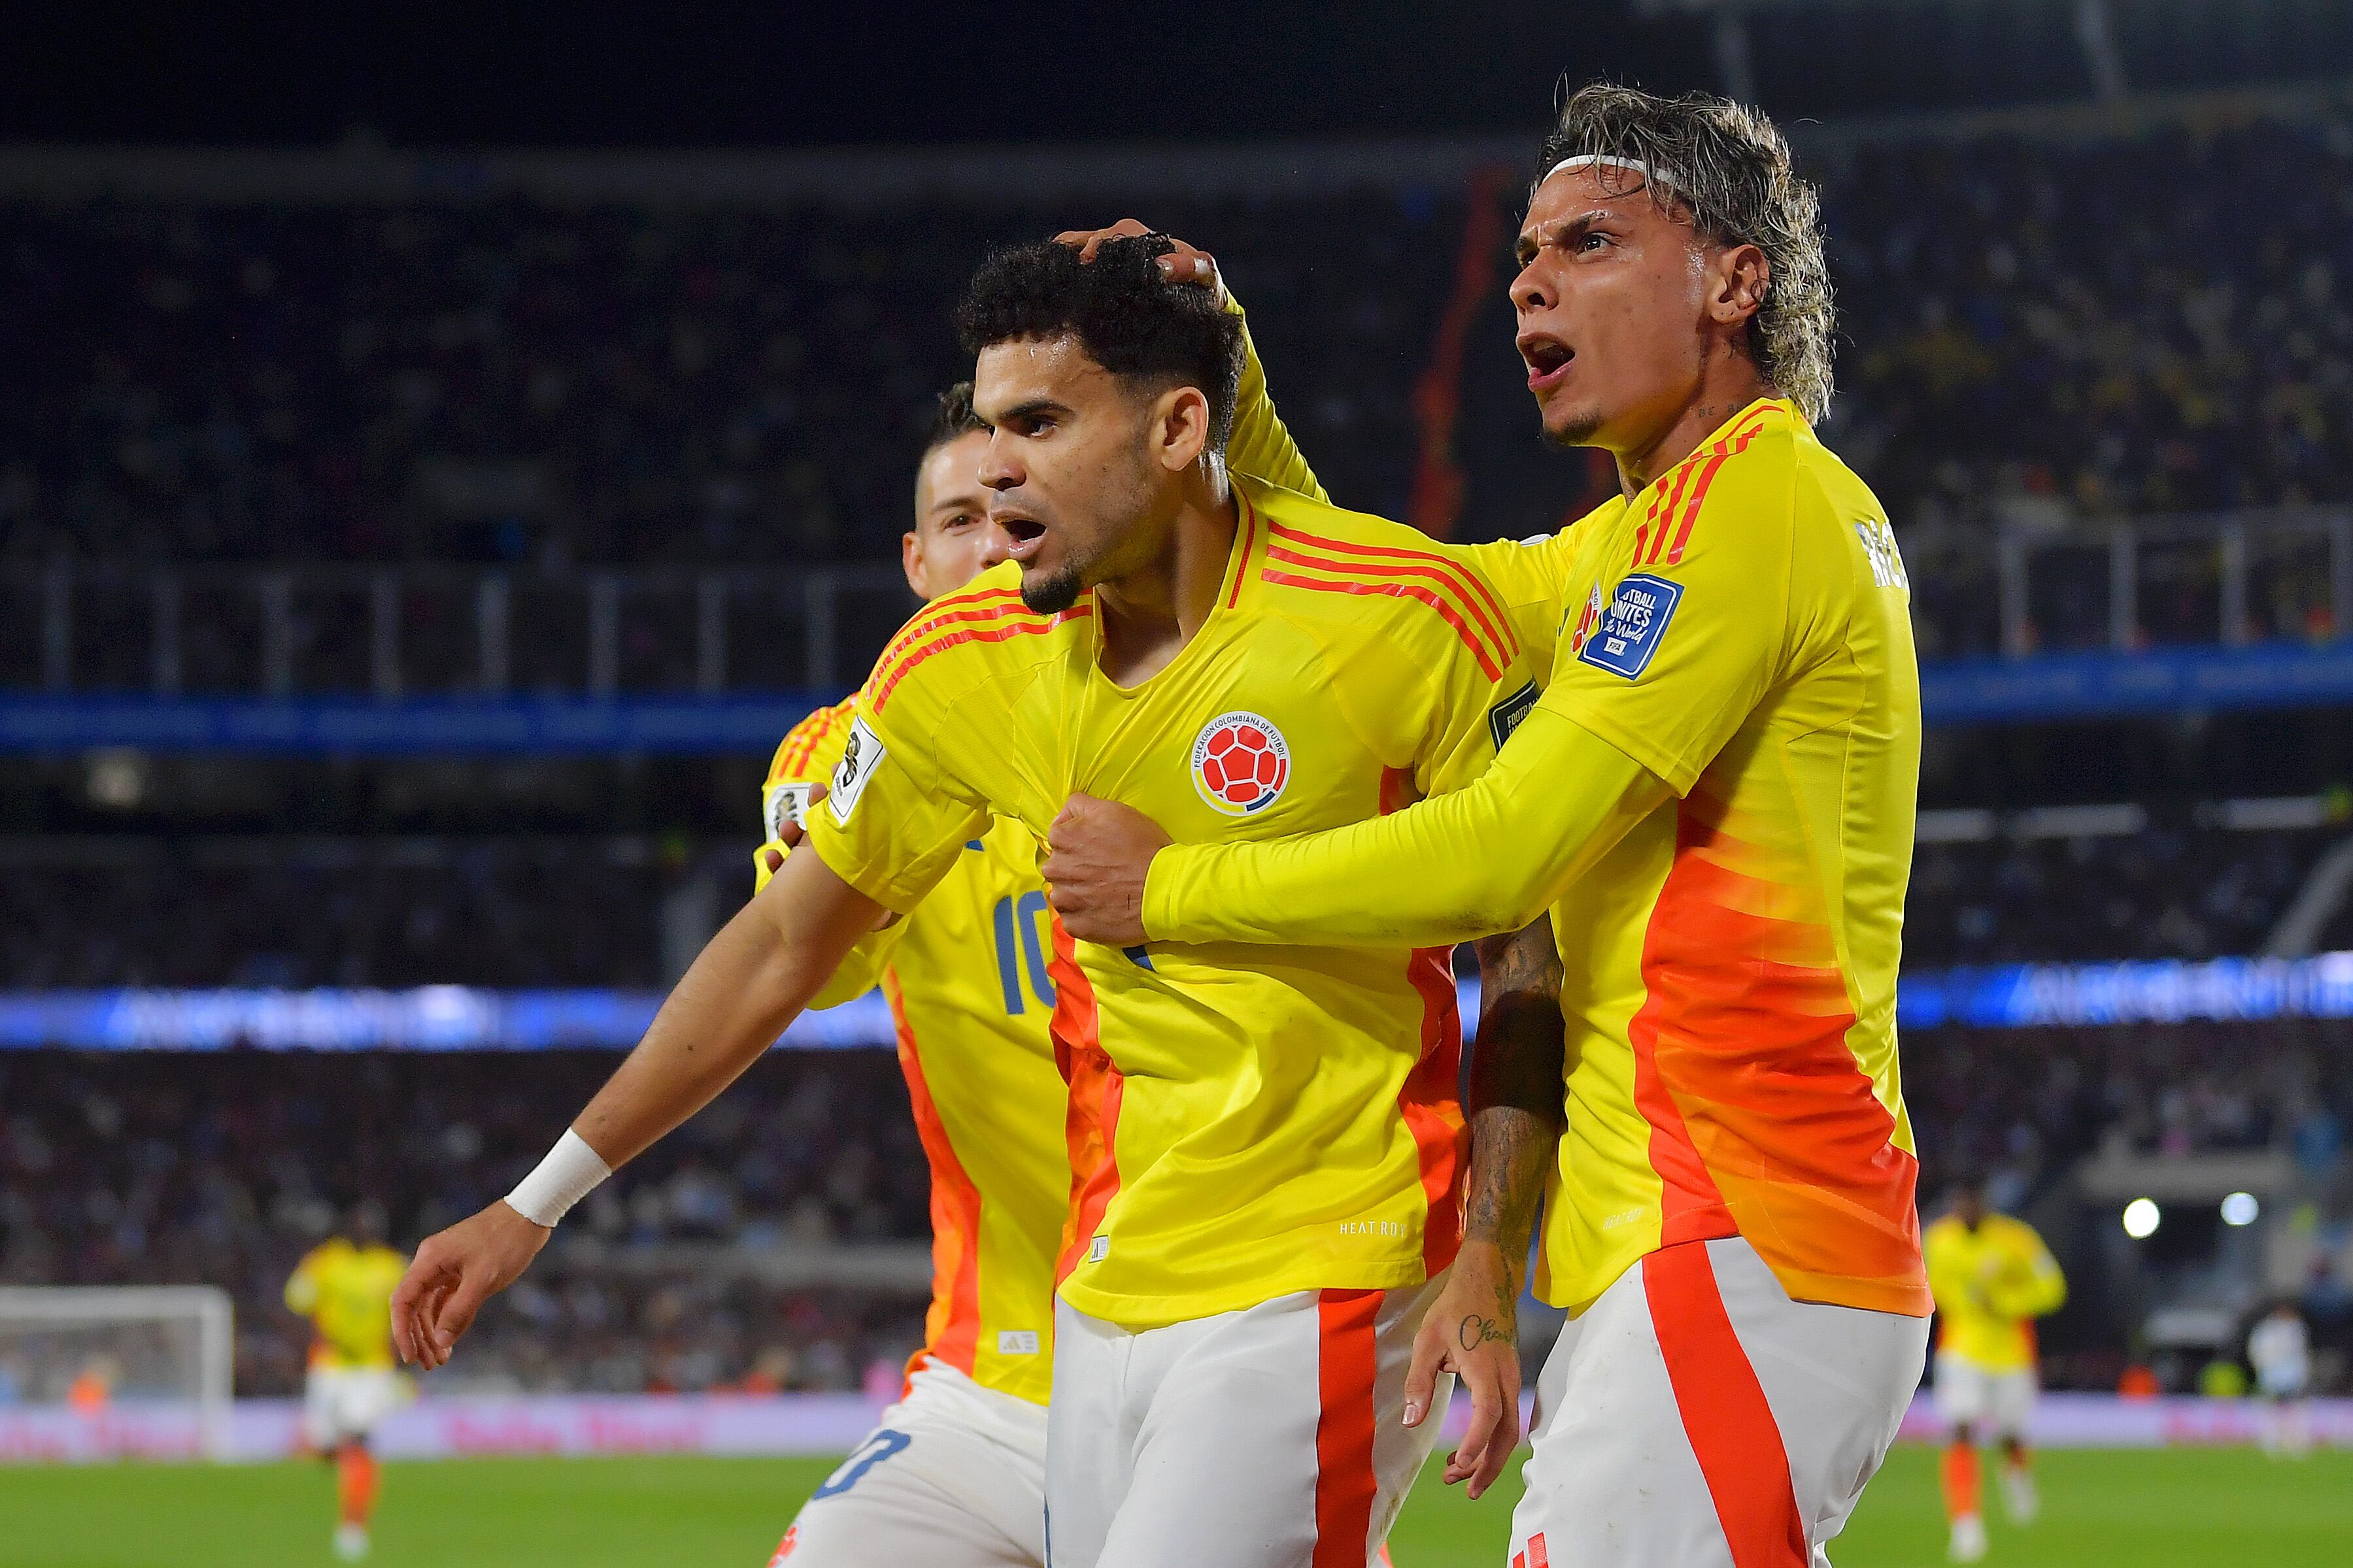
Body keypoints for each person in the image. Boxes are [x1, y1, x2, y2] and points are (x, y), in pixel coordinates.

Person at [391, 234, 1545, 1568]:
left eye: (1039, 424)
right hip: (1099, 1293)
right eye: (990, 428)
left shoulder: (1396, 613)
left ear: (1177, 425)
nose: (995, 469)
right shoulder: (958, 666)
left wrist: (1489, 1250)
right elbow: (781, 941)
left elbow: (1528, 939)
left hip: (1328, 1255)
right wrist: (531, 1201)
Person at [1043, 82, 1934, 1568]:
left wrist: (1176, 887)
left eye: (1589, 242)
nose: (1529, 279)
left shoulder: (1754, 512)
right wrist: (1229, 378)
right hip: (1689, 1245)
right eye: (1526, 249)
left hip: (1748, 1230)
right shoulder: (1642, 533)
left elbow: (1501, 849)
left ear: (1733, 280)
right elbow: (1382, 611)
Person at [749, 383, 1064, 1568]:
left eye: (1012, 508)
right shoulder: (843, 753)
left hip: (1209, 1363)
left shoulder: (1188, 727)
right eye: (956, 520)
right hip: (991, 1383)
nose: (989, 542)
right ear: (915, 562)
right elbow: (815, 971)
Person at [1923, 1178, 2067, 1561]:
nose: (1965, 1208)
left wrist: (2004, 1302)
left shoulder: (2016, 1239)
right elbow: (1930, 1286)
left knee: (2010, 1435)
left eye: (1972, 1200)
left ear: (1983, 1202)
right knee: (1961, 1430)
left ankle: (2017, 1478)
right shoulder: (1938, 1240)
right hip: (1961, 1351)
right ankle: (1966, 1525)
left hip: (2011, 1356)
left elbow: (2053, 1288)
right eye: (1959, 1201)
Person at [284, 1202, 409, 1561]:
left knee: (359, 1442)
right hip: (329, 1367)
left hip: (371, 1369)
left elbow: (410, 1315)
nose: (365, 1230)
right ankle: (346, 1471)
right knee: (324, 1447)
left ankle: (353, 1528)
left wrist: (403, 1364)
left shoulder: (393, 1266)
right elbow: (296, 1304)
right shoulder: (325, 1262)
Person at [2247, 1300, 2314, 1459]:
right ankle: (2271, 1444)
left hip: (2293, 1377)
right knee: (2270, 1411)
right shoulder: (2266, 1330)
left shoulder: (2297, 1329)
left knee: (2297, 1411)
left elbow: (2302, 1355)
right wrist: (2263, 1371)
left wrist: (2303, 1375)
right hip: (2272, 1376)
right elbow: (2257, 1353)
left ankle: (2297, 1445)